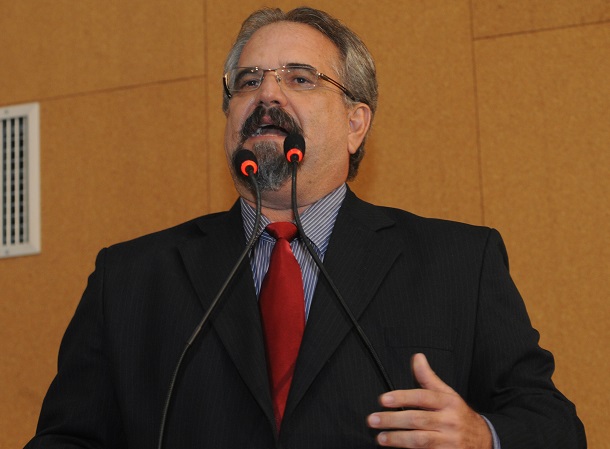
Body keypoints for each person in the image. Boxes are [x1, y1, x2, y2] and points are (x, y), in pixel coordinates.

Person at [26, 6, 586, 449]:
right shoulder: (129, 279)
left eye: (300, 78)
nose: (267, 94)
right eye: (248, 81)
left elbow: (555, 426)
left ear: (355, 123)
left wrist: (482, 436)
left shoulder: (458, 262)